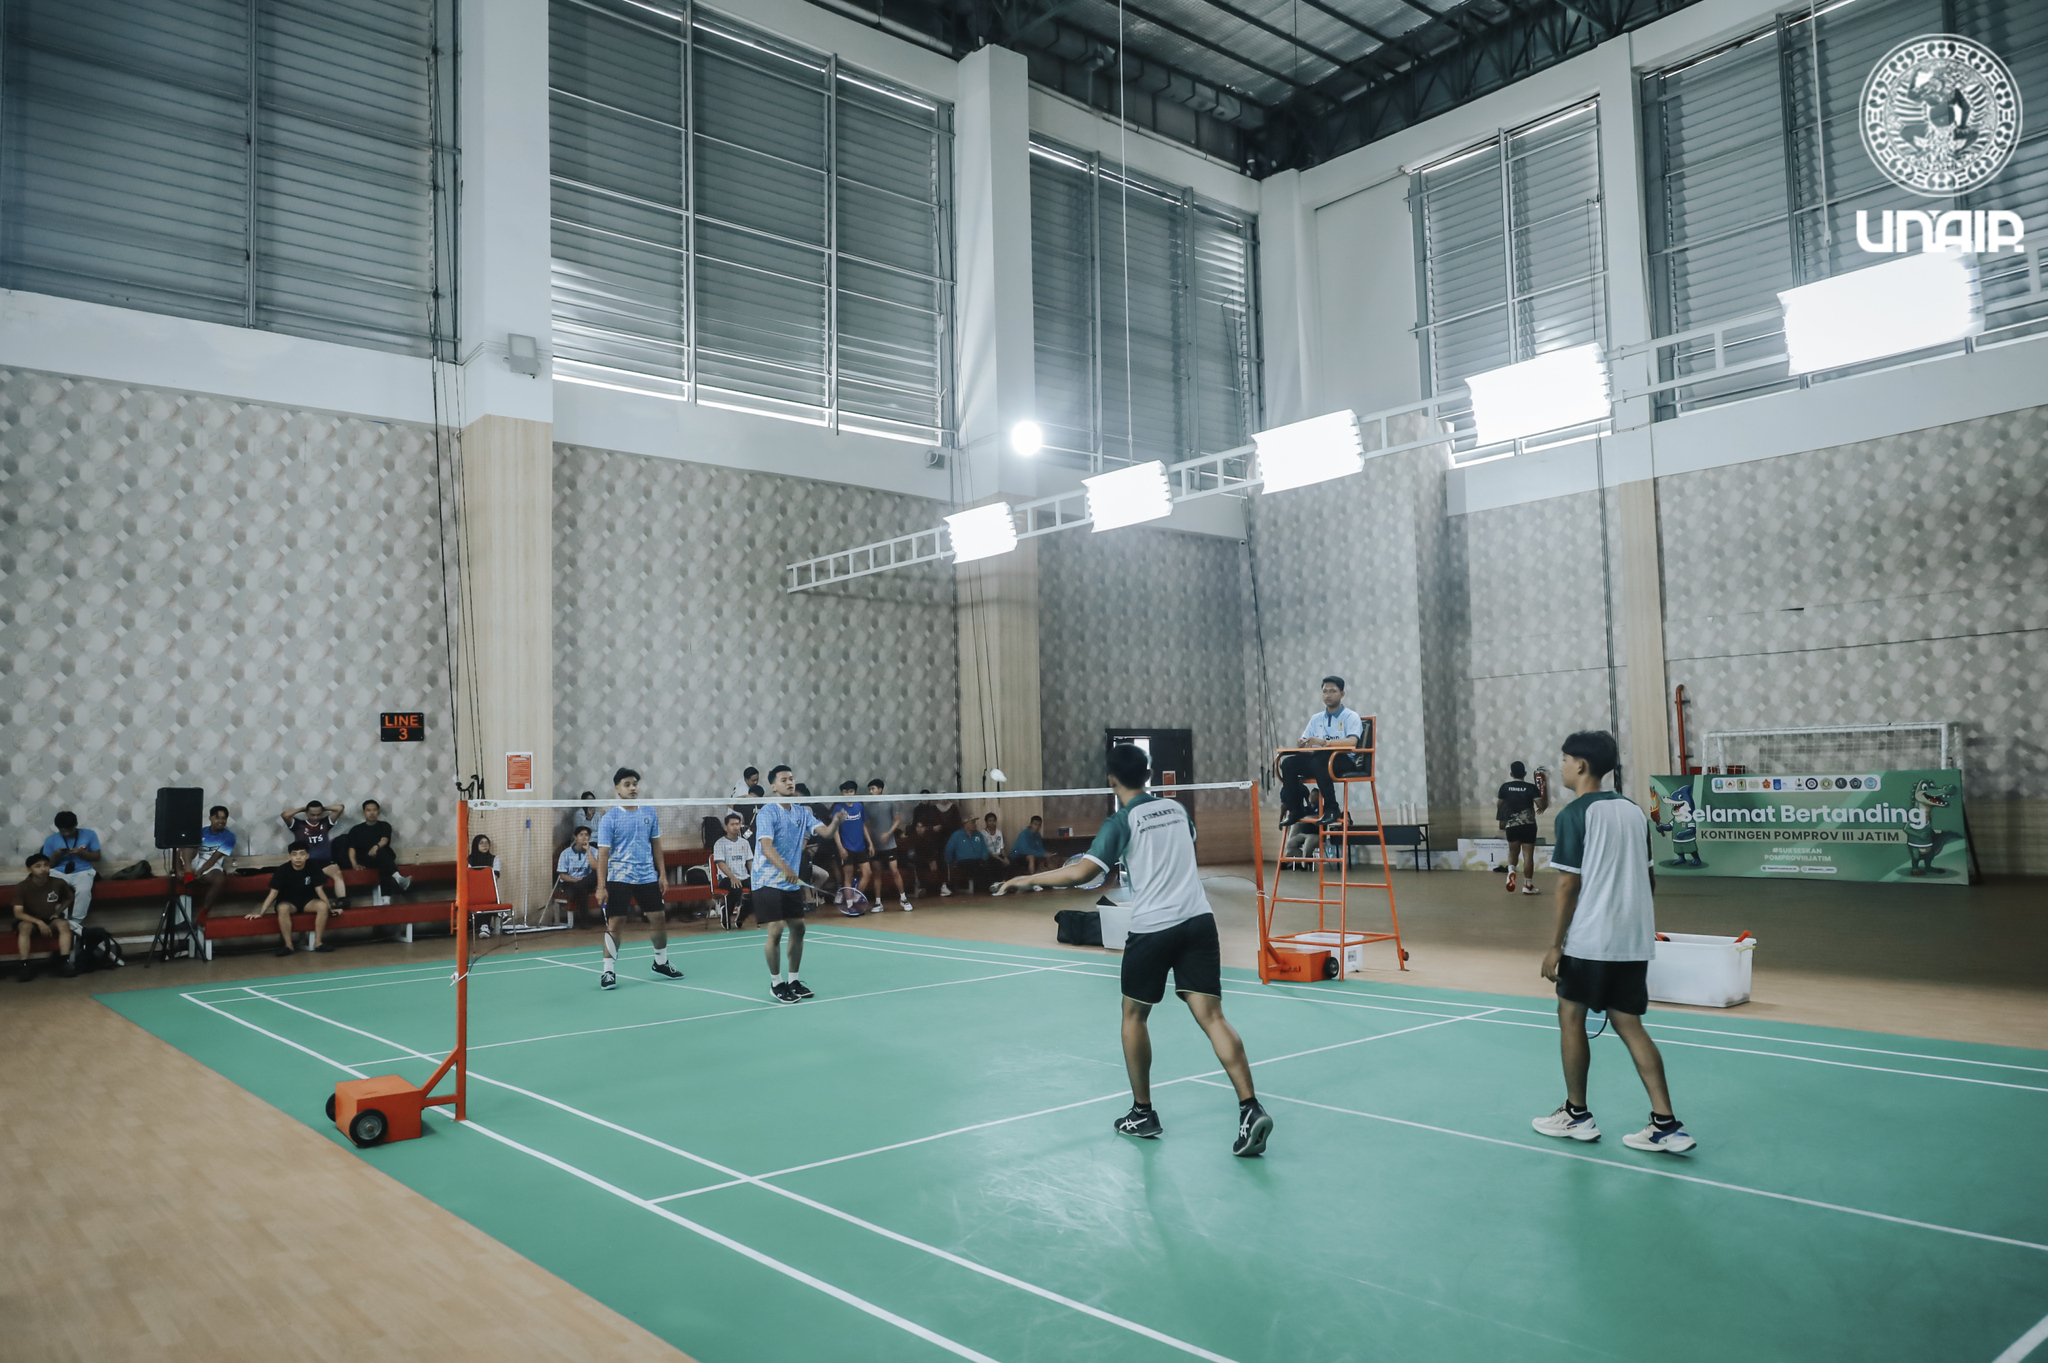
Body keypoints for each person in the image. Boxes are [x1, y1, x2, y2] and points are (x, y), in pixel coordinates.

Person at [994, 745, 1273, 1157]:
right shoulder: (1178, 812)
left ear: (1111, 778)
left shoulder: (1120, 822)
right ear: (1148, 773)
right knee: (1213, 1016)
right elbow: (1183, 845)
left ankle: (1143, 1113)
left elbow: (1083, 872)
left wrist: (1025, 881)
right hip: (1198, 920)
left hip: (1153, 929)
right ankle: (1250, 1107)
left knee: (1134, 1015)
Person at [1534, 730, 1695, 1155]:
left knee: (1570, 1017)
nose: (1563, 766)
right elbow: (1649, 877)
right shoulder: (1633, 811)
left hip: (1590, 942)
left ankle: (1576, 1115)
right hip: (1633, 942)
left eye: (1565, 759)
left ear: (1581, 766)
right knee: (1630, 1024)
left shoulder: (1573, 815)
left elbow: (1568, 885)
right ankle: (1666, 1124)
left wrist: (1555, 945)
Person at [751, 765, 844, 1002]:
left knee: (799, 928)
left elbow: (823, 832)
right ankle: (776, 983)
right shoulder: (767, 812)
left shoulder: (802, 812)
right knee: (777, 929)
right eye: (784, 780)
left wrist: (835, 823)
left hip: (789, 882)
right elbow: (765, 847)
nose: (790, 782)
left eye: (792, 779)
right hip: (766, 880)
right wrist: (787, 869)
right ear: (773, 786)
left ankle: (793, 980)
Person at [593, 767, 681, 990]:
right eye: (627, 784)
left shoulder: (649, 812)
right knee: (616, 923)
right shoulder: (609, 818)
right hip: (619, 877)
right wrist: (601, 886)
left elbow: (656, 844)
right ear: (617, 788)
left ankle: (660, 962)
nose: (632, 788)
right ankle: (608, 972)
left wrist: (662, 873)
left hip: (646, 876)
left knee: (659, 919)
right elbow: (603, 853)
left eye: (635, 784)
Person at [1281, 677, 1371, 831]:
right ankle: (1296, 809)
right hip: (1319, 759)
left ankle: (1332, 808)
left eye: (1333, 691)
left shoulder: (1351, 716)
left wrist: (1325, 743)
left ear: (1342, 693)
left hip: (1343, 760)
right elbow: (1304, 738)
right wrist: (1302, 743)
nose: (1328, 695)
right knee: (1288, 763)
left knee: (1321, 760)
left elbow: (1351, 742)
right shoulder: (1316, 718)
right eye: (1325, 691)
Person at [243, 840, 337, 957]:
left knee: (322, 906)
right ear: (289, 857)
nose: (298, 857)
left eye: (302, 854)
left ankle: (318, 943)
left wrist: (329, 908)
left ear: (307, 856)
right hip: (288, 902)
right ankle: (288, 945)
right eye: (294, 854)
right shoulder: (282, 870)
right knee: (282, 908)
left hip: (308, 901)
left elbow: (319, 890)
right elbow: (273, 894)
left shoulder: (313, 867)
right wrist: (260, 912)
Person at [13, 853, 77, 981]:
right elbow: (18, 913)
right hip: (29, 919)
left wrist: (57, 912)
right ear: (29, 869)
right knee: (25, 927)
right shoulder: (22, 886)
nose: (43, 869)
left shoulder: (58, 883)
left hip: (50, 918)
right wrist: (38, 922)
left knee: (63, 925)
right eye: (38, 866)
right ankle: (24, 965)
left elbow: (69, 898)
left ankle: (64, 962)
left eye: (46, 865)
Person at [280, 800, 351, 911]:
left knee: (337, 873)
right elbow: (285, 815)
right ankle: (320, 904)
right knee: (314, 881)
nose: (315, 817)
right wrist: (303, 808)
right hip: (307, 861)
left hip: (324, 860)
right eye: (312, 814)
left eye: (318, 814)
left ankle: (342, 901)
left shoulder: (325, 823)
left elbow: (340, 808)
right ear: (307, 814)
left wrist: (323, 808)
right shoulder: (298, 825)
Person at [336, 799, 413, 898]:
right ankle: (398, 880)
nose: (371, 813)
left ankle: (386, 900)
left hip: (383, 856)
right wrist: (354, 864)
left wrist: (376, 847)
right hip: (367, 860)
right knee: (385, 864)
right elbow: (352, 849)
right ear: (364, 813)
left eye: (374, 810)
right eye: (368, 810)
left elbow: (384, 839)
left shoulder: (385, 826)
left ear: (378, 812)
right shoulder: (356, 829)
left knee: (383, 857)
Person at [177, 805, 239, 923]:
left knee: (220, 880)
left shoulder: (229, 837)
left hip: (211, 866)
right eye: (217, 818)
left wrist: (200, 872)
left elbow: (214, 859)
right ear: (210, 818)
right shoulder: (199, 832)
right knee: (188, 842)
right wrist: (179, 868)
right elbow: (179, 850)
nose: (221, 821)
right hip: (192, 862)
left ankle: (204, 911)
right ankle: (188, 873)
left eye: (224, 818)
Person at [1497, 762, 1548, 895]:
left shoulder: (1505, 787)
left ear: (1511, 774)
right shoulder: (1531, 788)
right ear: (1524, 774)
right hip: (1528, 826)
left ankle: (1511, 872)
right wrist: (1543, 806)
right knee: (1528, 856)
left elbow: (1500, 805)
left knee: (1513, 852)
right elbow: (1540, 803)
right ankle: (1528, 885)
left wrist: (1503, 818)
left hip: (1512, 825)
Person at [42, 811, 101, 922]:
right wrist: (55, 854)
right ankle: (60, 919)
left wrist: (82, 853)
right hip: (59, 871)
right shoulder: (50, 840)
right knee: (55, 891)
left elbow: (97, 857)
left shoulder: (90, 834)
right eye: (63, 831)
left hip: (83, 870)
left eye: (70, 830)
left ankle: (76, 921)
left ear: (76, 824)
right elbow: (48, 865)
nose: (67, 834)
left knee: (83, 891)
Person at [866, 779, 912, 911]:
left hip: (889, 844)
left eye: (873, 789)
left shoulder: (890, 802)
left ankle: (903, 899)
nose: (871, 791)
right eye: (870, 789)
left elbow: (897, 820)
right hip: (875, 845)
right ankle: (878, 903)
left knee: (894, 870)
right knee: (877, 873)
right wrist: (869, 843)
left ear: (880, 790)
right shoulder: (867, 806)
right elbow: (866, 825)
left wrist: (888, 833)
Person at [831, 780, 876, 910]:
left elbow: (863, 825)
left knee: (867, 873)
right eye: (845, 792)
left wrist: (870, 843)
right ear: (842, 793)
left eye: (851, 791)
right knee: (848, 876)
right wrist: (840, 848)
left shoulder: (859, 806)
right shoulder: (838, 808)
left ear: (854, 792)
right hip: (847, 848)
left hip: (861, 847)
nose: (848, 794)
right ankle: (849, 905)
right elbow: (834, 830)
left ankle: (855, 897)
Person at [711, 812, 753, 930]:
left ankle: (741, 917)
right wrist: (732, 877)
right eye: (732, 824)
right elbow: (720, 863)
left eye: (738, 824)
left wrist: (754, 876)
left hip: (744, 876)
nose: (736, 826)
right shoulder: (720, 843)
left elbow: (750, 861)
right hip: (726, 878)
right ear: (726, 827)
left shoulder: (744, 842)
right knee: (736, 889)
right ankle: (726, 915)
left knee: (758, 890)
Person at [556, 825, 599, 922]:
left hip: (588, 882)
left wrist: (588, 850)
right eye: (581, 835)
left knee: (598, 873)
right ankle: (584, 922)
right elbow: (562, 875)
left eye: (587, 835)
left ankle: (584, 922)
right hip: (570, 883)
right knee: (581, 889)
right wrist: (575, 880)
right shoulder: (566, 853)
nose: (584, 837)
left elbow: (596, 868)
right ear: (576, 837)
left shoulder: (594, 851)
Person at [945, 815, 993, 894]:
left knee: (991, 863)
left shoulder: (979, 835)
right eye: (972, 822)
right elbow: (949, 850)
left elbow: (984, 849)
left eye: (975, 822)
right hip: (963, 861)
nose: (975, 824)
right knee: (975, 865)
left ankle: (994, 886)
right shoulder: (957, 835)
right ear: (965, 824)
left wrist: (984, 858)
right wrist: (952, 862)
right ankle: (986, 888)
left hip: (978, 860)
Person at [1011, 814, 1049, 886]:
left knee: (1045, 858)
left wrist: (1046, 853)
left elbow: (1040, 848)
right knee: (1031, 857)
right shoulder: (1024, 834)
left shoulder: (1038, 835)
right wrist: (1041, 854)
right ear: (1030, 824)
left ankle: (1046, 880)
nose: (1037, 827)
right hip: (1016, 855)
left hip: (1029, 854)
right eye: (1035, 824)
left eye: (1039, 825)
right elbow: (1025, 850)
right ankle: (1032, 882)